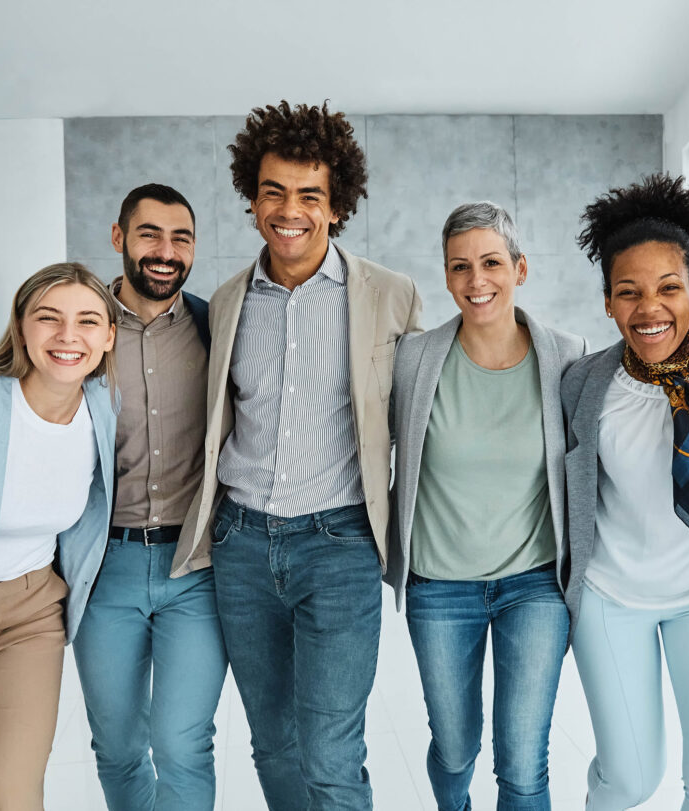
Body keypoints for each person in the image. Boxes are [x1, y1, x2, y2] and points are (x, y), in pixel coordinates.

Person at [172, 101, 422, 810]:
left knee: (331, 753)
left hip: (339, 544)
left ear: (337, 205)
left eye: (310, 195)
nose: (290, 210)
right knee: (272, 743)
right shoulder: (224, 302)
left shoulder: (391, 297)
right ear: (251, 200)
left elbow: (422, 412)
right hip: (243, 546)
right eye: (273, 192)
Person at [561, 174, 689, 811]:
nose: (650, 309)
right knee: (629, 778)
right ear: (607, 303)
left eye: (669, 288)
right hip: (612, 597)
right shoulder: (580, 386)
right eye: (629, 293)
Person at [387, 201, 586, 810]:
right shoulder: (414, 359)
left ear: (520, 268)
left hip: (534, 585)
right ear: (446, 277)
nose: (478, 281)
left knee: (523, 761)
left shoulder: (566, 357)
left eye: (492, 262)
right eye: (461, 267)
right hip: (440, 587)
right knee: (454, 748)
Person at [0, 262, 117, 809]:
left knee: (11, 798)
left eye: (87, 321)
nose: (67, 336)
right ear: (21, 326)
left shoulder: (104, 408)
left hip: (29, 615)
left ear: (108, 337)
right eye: (49, 318)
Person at [71, 184, 226, 811]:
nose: (166, 251)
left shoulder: (218, 325)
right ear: (119, 239)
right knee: (117, 747)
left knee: (183, 744)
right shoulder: (80, 332)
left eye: (181, 238)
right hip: (104, 568)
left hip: (196, 566)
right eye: (150, 235)